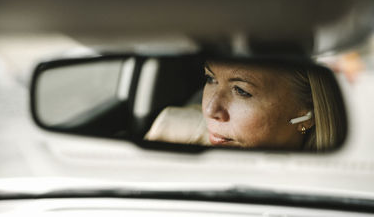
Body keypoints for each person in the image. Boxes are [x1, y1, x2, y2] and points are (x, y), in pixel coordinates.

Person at [145, 61, 346, 151]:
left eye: (241, 91)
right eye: (210, 78)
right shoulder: (170, 133)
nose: (209, 110)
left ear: (308, 113)